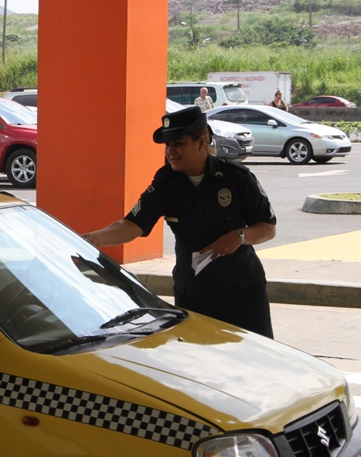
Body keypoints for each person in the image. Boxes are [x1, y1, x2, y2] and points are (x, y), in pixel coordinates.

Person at [82, 106, 278, 338]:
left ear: (201, 143)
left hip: (242, 290)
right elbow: (131, 225)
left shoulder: (236, 178)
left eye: (178, 144)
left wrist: (239, 236)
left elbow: (267, 228)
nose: (170, 151)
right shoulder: (166, 183)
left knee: (255, 355)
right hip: (193, 293)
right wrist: (94, 239)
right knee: (197, 357)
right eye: (167, 145)